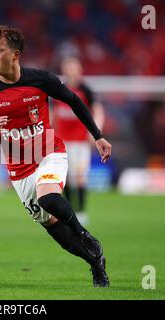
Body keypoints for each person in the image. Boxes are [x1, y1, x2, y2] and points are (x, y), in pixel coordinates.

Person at [0, 25, 112, 287]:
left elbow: (74, 101)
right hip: (19, 170)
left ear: (15, 54)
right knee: (55, 230)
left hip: (49, 151)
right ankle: (95, 262)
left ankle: (85, 234)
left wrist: (97, 135)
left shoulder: (41, 79)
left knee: (48, 196)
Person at [52, 56, 105, 225]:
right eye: (69, 68)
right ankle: (70, 211)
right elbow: (52, 113)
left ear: (80, 70)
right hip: (61, 140)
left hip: (80, 141)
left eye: (74, 68)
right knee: (65, 176)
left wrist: (95, 132)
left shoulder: (86, 91)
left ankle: (81, 211)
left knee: (80, 176)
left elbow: (98, 111)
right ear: (64, 70)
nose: (71, 71)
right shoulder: (58, 89)